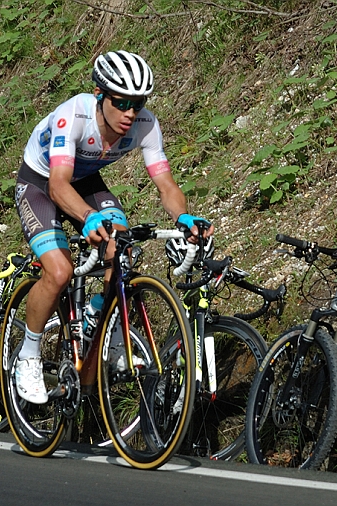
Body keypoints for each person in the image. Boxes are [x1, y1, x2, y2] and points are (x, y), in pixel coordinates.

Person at [14, 50, 213, 404]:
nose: (130, 113)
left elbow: (166, 185)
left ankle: (107, 326)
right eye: (121, 102)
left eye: (138, 103)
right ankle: (28, 355)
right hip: (41, 182)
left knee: (121, 248)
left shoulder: (145, 125)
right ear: (99, 94)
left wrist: (183, 217)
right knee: (59, 271)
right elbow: (58, 185)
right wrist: (88, 217)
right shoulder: (73, 116)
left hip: (86, 179)